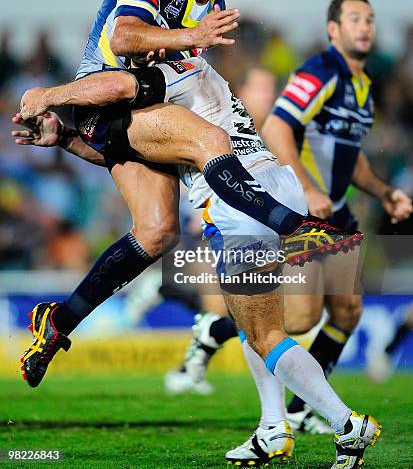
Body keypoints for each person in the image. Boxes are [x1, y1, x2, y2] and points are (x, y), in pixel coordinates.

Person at [15, 51, 380, 469]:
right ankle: (272, 426)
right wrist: (67, 139)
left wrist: (51, 100)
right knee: (254, 323)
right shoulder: (197, 81)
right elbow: (136, 152)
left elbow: (117, 100)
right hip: (274, 182)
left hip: (241, 202)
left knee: (267, 335)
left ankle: (346, 424)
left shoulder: (159, 79)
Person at [165, 0, 411, 462]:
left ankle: (300, 415)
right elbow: (279, 126)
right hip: (300, 205)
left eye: (371, 19)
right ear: (333, 29)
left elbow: (346, 153)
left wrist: (380, 192)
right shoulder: (319, 71)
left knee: (342, 313)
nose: (366, 27)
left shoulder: (359, 85)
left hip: (325, 209)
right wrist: (305, 188)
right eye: (354, 19)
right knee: (289, 321)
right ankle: (236, 356)